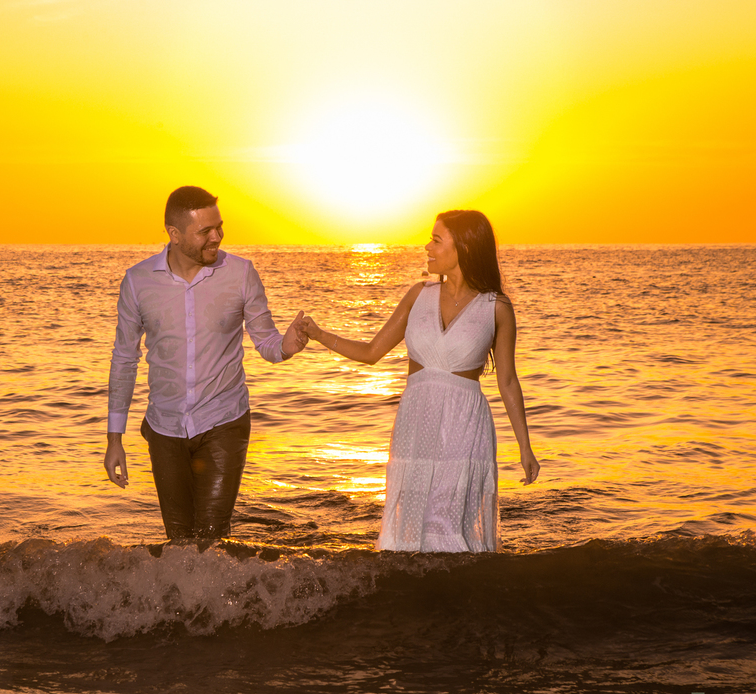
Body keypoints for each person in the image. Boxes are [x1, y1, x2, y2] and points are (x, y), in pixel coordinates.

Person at [301, 210, 539, 552]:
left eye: (436, 240)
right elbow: (371, 352)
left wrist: (525, 447)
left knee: (451, 523)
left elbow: (508, 382)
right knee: (411, 528)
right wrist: (320, 334)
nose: (427, 246)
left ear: (464, 248)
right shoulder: (418, 295)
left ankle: (458, 596)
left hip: (465, 425)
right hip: (417, 421)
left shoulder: (496, 308)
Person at [104, 186, 307, 539]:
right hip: (164, 429)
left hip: (224, 422)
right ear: (175, 234)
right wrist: (114, 438)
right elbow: (125, 358)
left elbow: (267, 342)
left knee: (211, 537)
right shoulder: (137, 282)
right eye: (205, 231)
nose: (217, 237)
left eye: (219, 226)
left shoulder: (241, 274)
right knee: (179, 541)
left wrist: (286, 347)